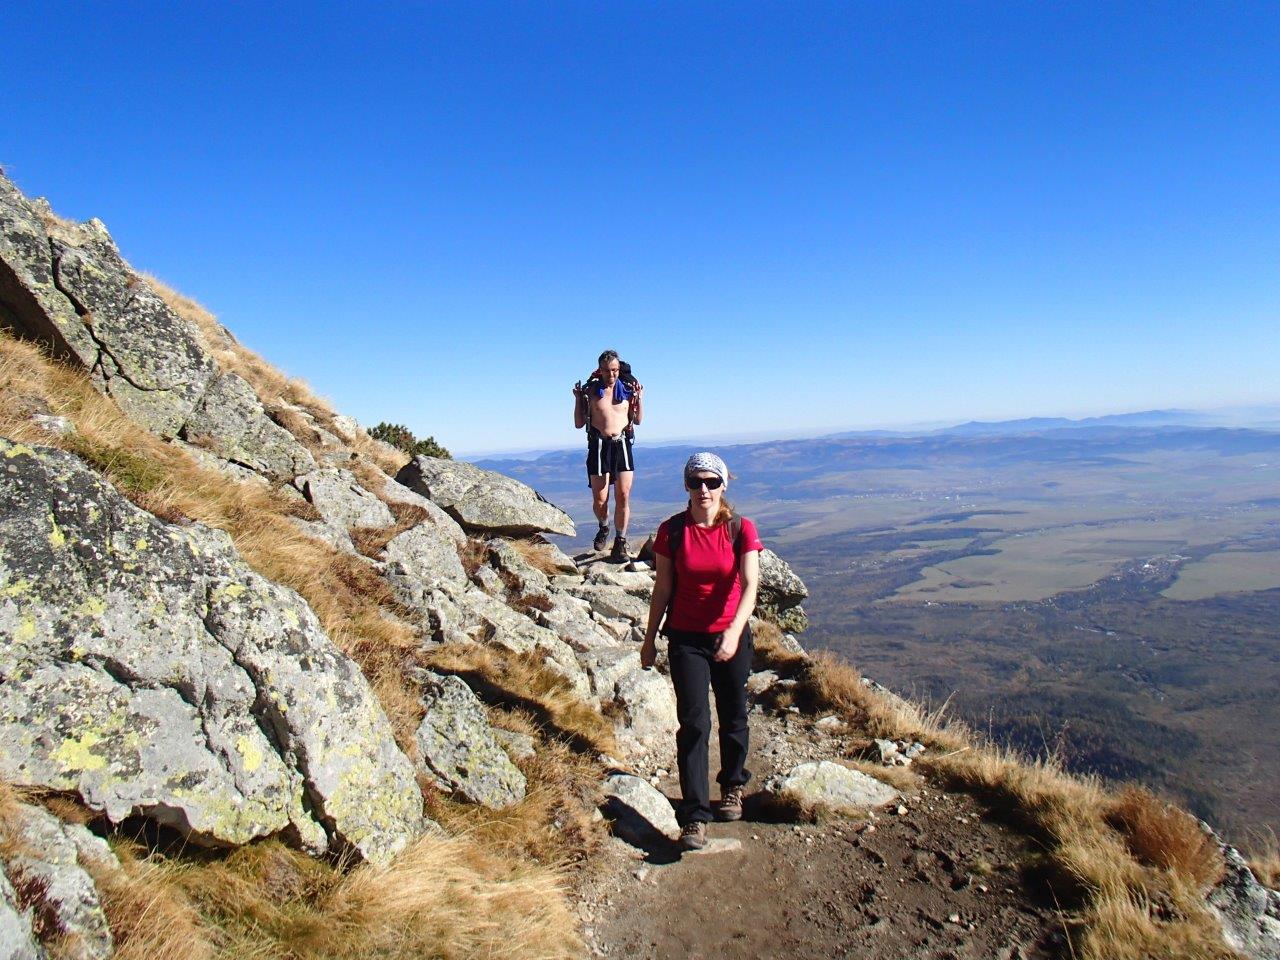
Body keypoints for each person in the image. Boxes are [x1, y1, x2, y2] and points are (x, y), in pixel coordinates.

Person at [641, 452, 763, 851]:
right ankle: (694, 815)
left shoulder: (741, 529)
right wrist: (649, 639)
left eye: (712, 482)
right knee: (694, 722)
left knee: (733, 714)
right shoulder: (671, 531)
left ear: (724, 485)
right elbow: (663, 588)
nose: (704, 489)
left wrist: (733, 631)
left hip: (730, 635)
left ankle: (732, 787)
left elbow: (750, 586)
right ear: (686, 486)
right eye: (696, 482)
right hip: (686, 638)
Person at [572, 349, 643, 560]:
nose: (611, 375)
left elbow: (637, 420)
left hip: (621, 445)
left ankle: (620, 541)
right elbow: (578, 423)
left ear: (618, 369)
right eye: (606, 371)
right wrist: (578, 400)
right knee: (601, 500)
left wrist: (641, 399)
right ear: (600, 370)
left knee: (623, 496)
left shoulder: (628, 391)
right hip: (598, 446)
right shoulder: (591, 392)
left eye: (614, 370)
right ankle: (604, 526)